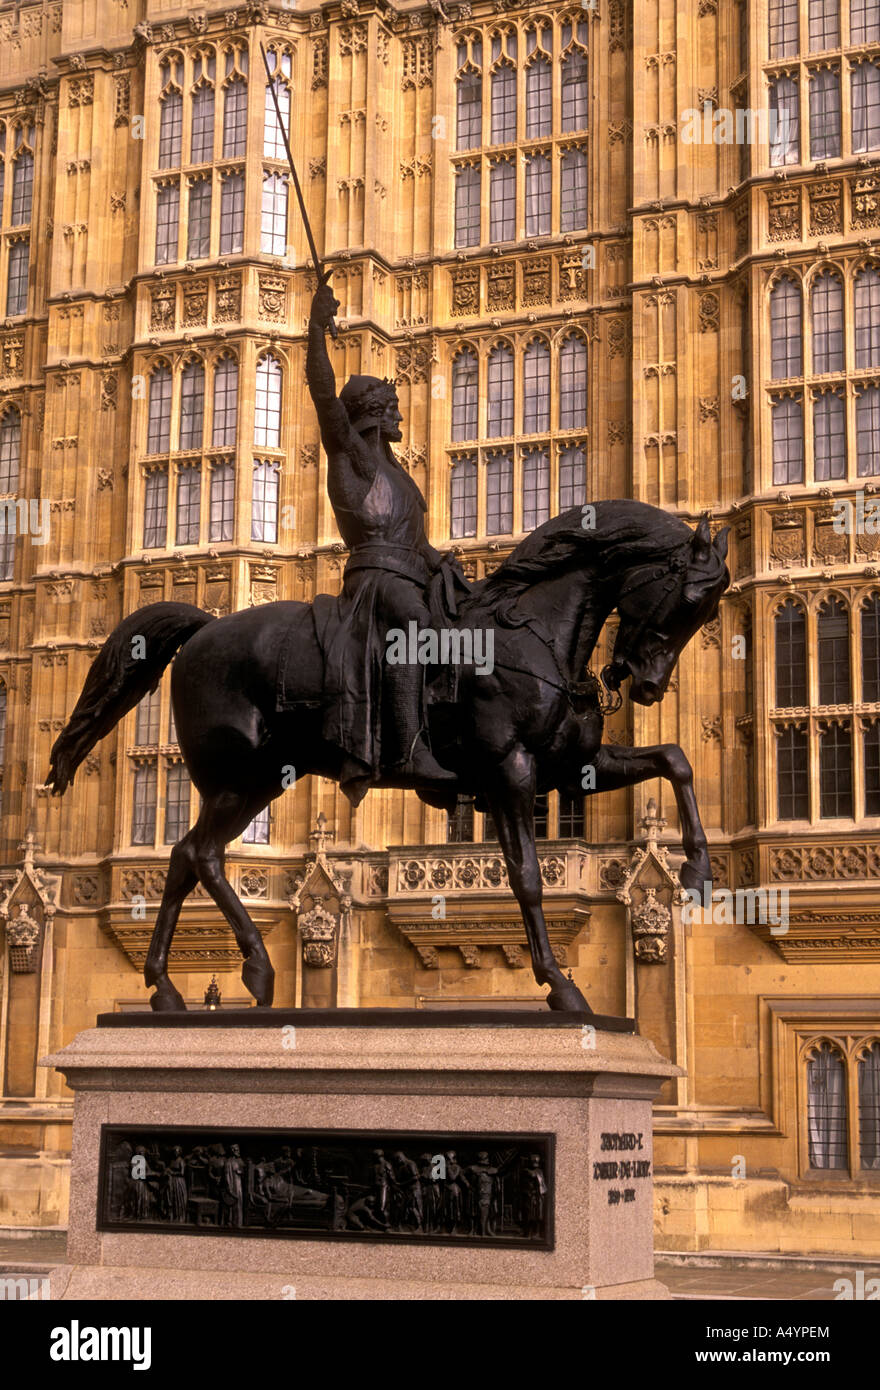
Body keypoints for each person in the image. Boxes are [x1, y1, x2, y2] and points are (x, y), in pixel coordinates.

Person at [306, 278, 469, 806]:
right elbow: (324, 393)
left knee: (472, 624)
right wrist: (315, 327)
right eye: (393, 406)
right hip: (376, 582)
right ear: (375, 412)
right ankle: (408, 751)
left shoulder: (401, 478)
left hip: (410, 575)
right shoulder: (354, 454)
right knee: (417, 628)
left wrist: (445, 564)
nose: (401, 415)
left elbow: (416, 544)